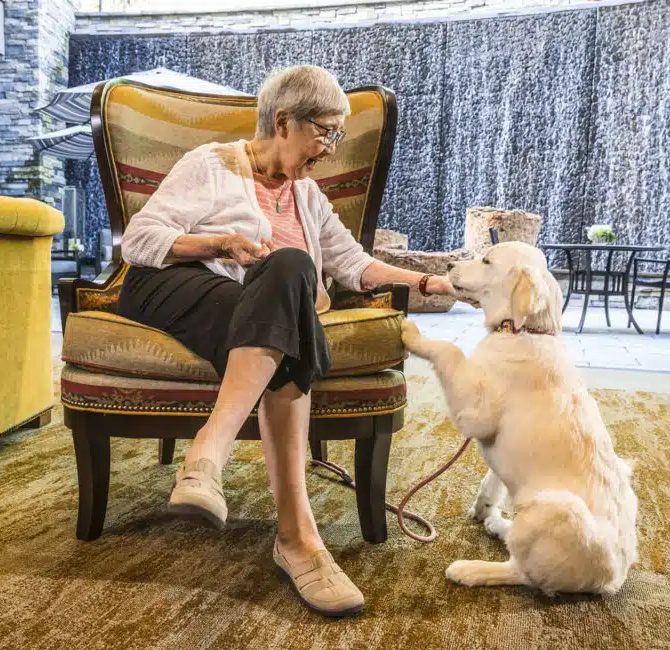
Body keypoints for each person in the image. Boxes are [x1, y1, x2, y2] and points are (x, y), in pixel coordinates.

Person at [118, 65, 453, 617]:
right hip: (174, 288)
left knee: (290, 274)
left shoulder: (309, 197)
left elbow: (354, 265)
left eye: (337, 134)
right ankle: (296, 540)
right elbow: (139, 239)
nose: (330, 147)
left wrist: (425, 282)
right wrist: (221, 243)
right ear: (282, 121)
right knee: (287, 294)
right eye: (325, 130)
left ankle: (211, 464)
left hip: (258, 314)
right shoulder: (212, 164)